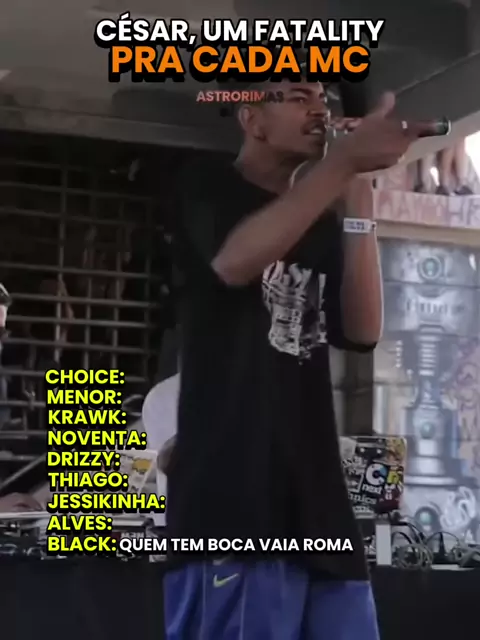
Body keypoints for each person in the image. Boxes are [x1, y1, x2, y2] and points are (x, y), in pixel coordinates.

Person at [164, 76, 422, 640]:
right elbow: (234, 263)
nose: (319, 110)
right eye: (298, 97)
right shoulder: (206, 183)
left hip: (318, 501)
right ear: (251, 118)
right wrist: (341, 164)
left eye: (322, 99)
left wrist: (357, 193)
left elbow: (362, 329)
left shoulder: (316, 220)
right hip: (233, 500)